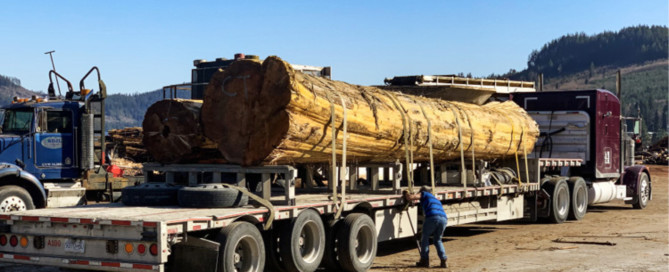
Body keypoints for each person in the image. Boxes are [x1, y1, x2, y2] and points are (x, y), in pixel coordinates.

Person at [403, 185, 448, 268]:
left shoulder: (424, 194)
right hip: (444, 219)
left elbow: (412, 197)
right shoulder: (435, 199)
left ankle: (424, 260)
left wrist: (407, 194)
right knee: (437, 239)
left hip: (432, 216)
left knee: (425, 238)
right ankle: (443, 259)